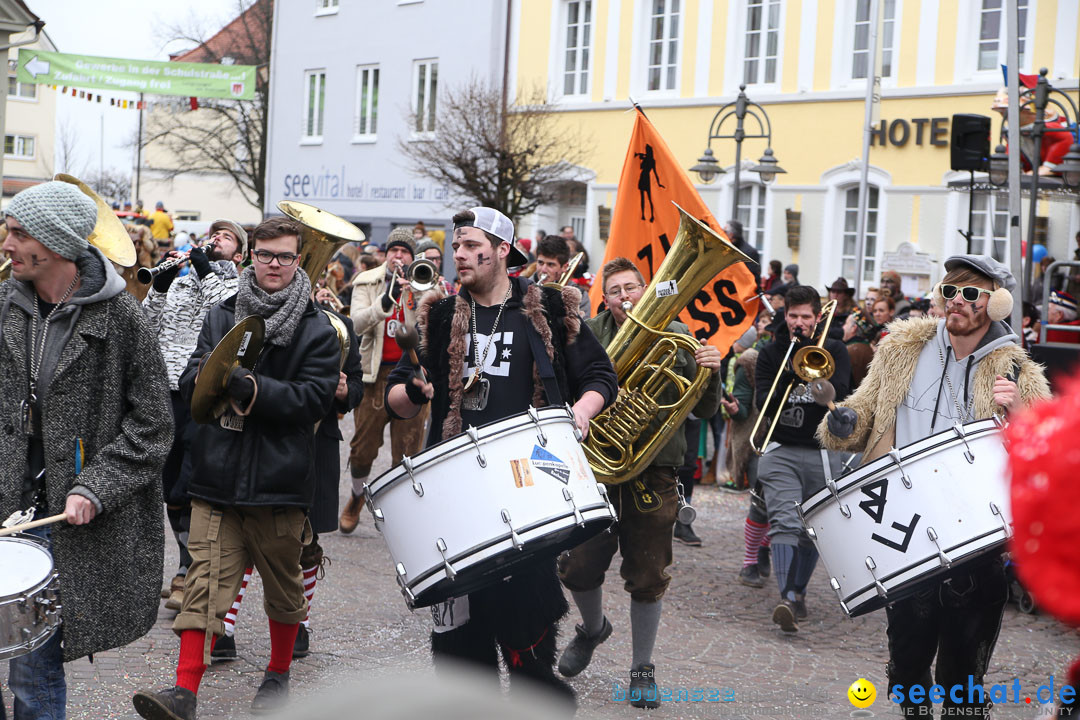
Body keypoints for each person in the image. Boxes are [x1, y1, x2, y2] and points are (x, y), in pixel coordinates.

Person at [385, 206, 617, 706]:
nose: (460, 255)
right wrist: (415, 391)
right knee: (458, 646)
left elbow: (601, 377)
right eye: (457, 247)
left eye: (472, 246)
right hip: (454, 494)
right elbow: (397, 400)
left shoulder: (550, 308)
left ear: (502, 251)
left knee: (527, 632)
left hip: (528, 483)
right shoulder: (440, 314)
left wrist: (580, 411)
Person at [819, 254, 1050, 718]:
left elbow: (1046, 452)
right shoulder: (901, 348)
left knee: (962, 675)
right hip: (903, 528)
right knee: (906, 666)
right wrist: (843, 422)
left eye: (971, 293)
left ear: (997, 303)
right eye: (950, 291)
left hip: (975, 537)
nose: (957, 302)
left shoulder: (1015, 370)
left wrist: (1019, 413)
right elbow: (866, 409)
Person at [133, 216, 340, 719]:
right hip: (218, 477)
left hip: (279, 483)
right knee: (202, 586)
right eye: (266, 255)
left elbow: (313, 400)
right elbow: (192, 379)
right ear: (250, 257)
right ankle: (184, 693)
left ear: (298, 260)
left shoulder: (317, 329)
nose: (275, 265)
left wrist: (254, 389)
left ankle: (278, 674)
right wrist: (205, 377)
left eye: (285, 256)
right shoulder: (221, 314)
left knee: (283, 588)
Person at [0, 181, 172, 717]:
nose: (6, 242)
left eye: (18, 232)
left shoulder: (122, 318)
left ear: (53, 243)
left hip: (60, 517)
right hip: (6, 500)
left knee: (32, 668)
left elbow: (154, 425)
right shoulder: (5, 305)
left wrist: (95, 488)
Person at [556, 257, 721, 708]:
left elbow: (704, 411)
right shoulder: (585, 332)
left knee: (648, 573)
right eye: (615, 290)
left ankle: (642, 668)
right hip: (596, 469)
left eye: (632, 287)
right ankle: (592, 629)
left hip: (654, 472)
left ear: (645, 290)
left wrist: (711, 369)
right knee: (578, 567)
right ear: (603, 297)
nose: (625, 296)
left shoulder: (680, 333)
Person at [213, 287, 364, 662]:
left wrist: (346, 392)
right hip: (265, 438)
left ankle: (300, 623)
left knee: (307, 544)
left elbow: (357, 384)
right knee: (247, 534)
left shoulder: (338, 325)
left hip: (316, 444)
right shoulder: (249, 321)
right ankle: (225, 626)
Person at [142, 219, 247, 613]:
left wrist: (204, 268)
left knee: (192, 482)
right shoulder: (185, 281)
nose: (216, 239)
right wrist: (161, 286)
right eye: (213, 234)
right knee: (171, 489)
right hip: (167, 389)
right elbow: (147, 326)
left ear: (239, 254)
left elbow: (232, 310)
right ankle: (186, 565)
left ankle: (190, 571)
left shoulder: (238, 283)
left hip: (204, 392)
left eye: (226, 237)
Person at [754, 285, 852, 632]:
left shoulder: (835, 348)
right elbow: (761, 402)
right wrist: (789, 367)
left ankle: (797, 592)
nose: (798, 322)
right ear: (785, 316)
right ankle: (784, 597)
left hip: (822, 451)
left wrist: (814, 374)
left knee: (813, 530)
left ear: (817, 318)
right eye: (792, 316)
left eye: (805, 317)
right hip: (781, 448)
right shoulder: (770, 352)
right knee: (784, 521)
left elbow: (839, 393)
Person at [339, 228, 438, 534]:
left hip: (411, 371)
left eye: (405, 252)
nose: (399, 256)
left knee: (408, 449)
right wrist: (386, 301)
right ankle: (357, 495)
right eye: (394, 251)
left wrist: (419, 294)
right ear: (385, 254)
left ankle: (400, 511)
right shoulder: (366, 281)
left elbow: (435, 326)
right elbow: (354, 324)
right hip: (374, 374)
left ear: (413, 257)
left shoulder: (426, 282)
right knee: (363, 450)